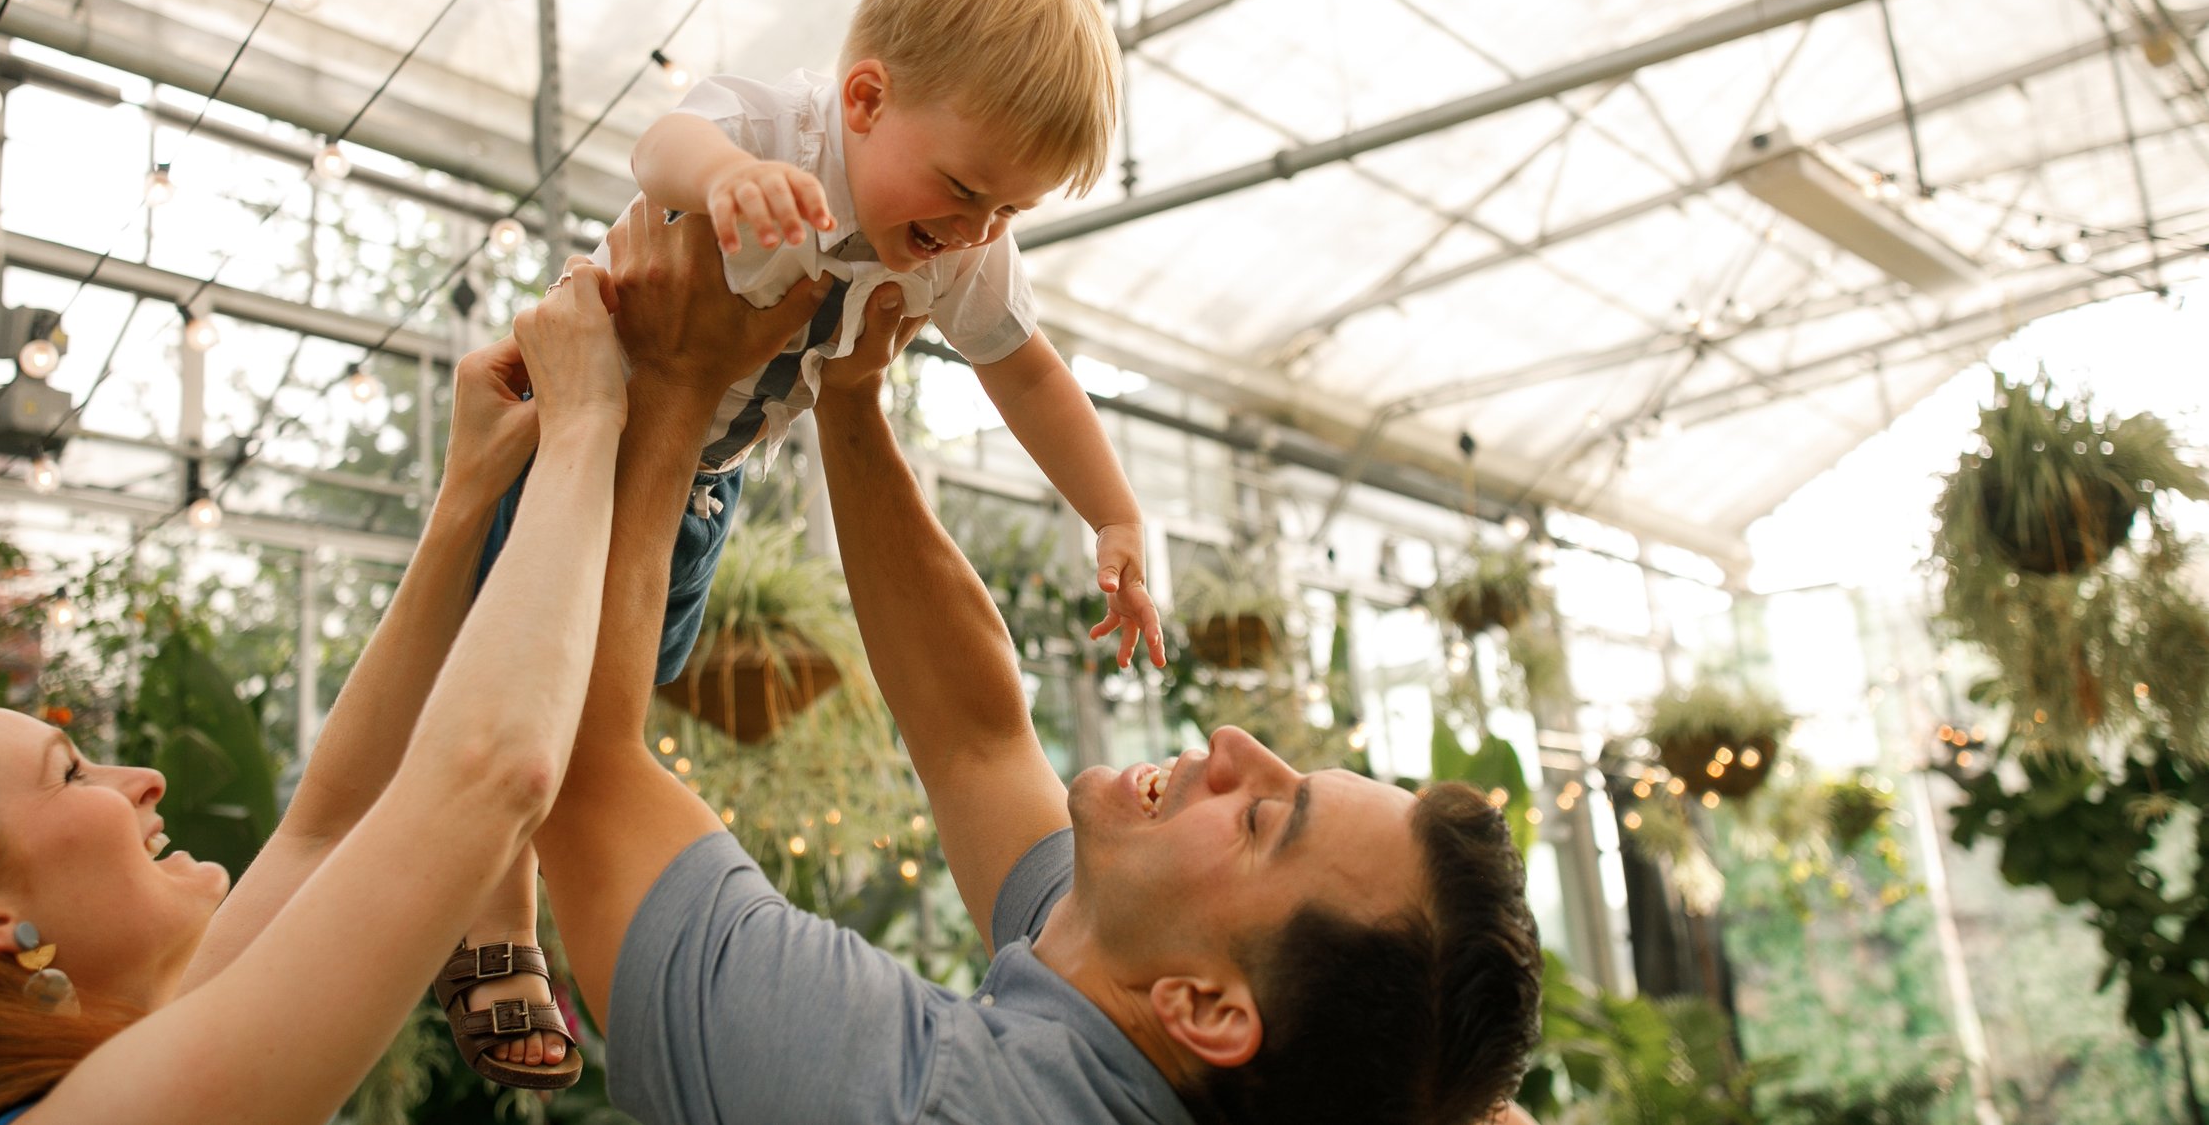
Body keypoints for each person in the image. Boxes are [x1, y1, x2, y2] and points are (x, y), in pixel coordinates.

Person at [0, 261, 815, 1125]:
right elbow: (489, 776)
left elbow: (330, 819)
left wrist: (470, 493)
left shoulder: (128, 1070)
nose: (138, 777)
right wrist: (590, 423)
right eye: (69, 772)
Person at [533, 203, 1545, 1125]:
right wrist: (851, 400)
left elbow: (577, 764)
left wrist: (671, 386)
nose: (1234, 745)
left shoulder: (933, 1103)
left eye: (1261, 817)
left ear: (1202, 1007)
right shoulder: (1139, 1011)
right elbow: (975, 741)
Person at [451, 0, 1168, 1069]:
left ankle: (510, 871)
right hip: (576, 441)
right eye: (967, 191)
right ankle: (497, 921)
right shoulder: (782, 132)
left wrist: (1113, 511)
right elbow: (659, 143)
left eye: (1009, 216)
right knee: (533, 679)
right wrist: (727, 180)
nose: (976, 234)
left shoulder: (958, 245)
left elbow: (1026, 369)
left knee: (625, 682)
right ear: (867, 98)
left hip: (696, 486)